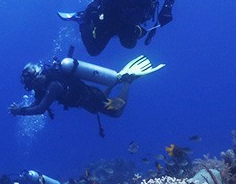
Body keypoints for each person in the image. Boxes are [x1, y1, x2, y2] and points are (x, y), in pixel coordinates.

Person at [8, 54, 163, 136]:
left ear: (35, 79)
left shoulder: (53, 85)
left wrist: (20, 112)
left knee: (116, 112)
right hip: (86, 99)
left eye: (32, 84)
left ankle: (128, 81)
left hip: (90, 97)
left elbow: (41, 109)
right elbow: (36, 103)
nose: (33, 88)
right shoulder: (44, 86)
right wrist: (22, 108)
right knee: (99, 105)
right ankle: (115, 82)